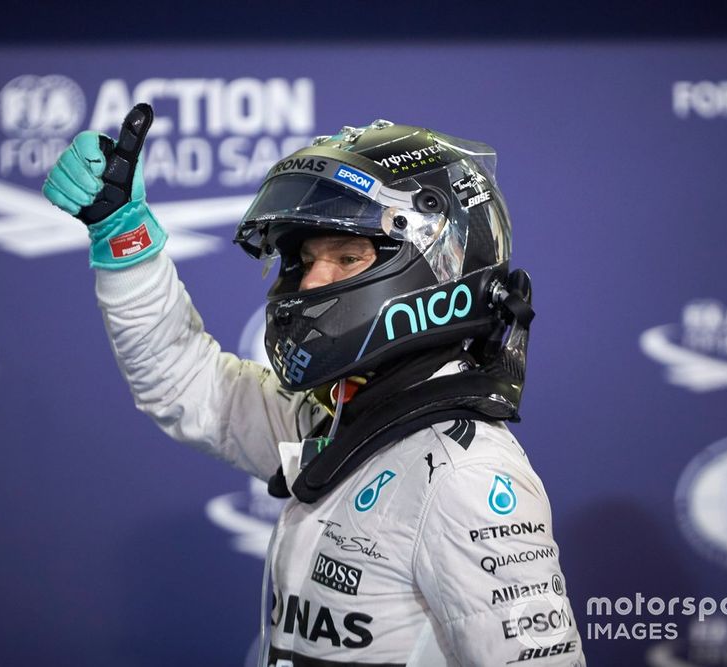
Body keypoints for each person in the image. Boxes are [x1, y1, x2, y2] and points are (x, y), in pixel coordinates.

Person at [43, 104, 586, 666]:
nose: (313, 281)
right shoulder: (344, 416)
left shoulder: (464, 477)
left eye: (347, 257)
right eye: (306, 259)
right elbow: (186, 385)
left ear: (434, 268)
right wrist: (124, 237)